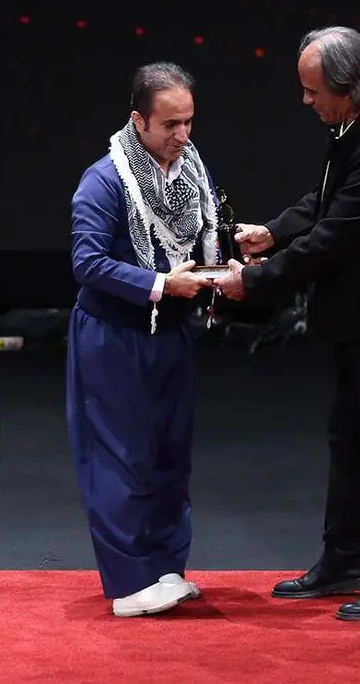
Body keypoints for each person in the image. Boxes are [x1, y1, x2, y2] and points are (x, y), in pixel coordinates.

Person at [215, 26, 360, 621]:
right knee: (349, 444)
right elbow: (325, 201)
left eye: (313, 90)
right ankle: (344, 560)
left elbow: (335, 238)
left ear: (349, 86)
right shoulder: (357, 122)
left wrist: (252, 282)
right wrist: (273, 232)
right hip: (357, 317)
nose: (306, 100)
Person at [66, 61, 216, 617]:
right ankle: (130, 583)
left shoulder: (191, 169)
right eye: (170, 124)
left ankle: (166, 567)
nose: (182, 134)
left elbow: (197, 240)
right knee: (120, 457)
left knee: (170, 456)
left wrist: (226, 260)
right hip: (114, 336)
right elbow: (87, 263)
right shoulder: (105, 179)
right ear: (139, 121)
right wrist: (160, 284)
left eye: (188, 122)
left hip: (171, 334)